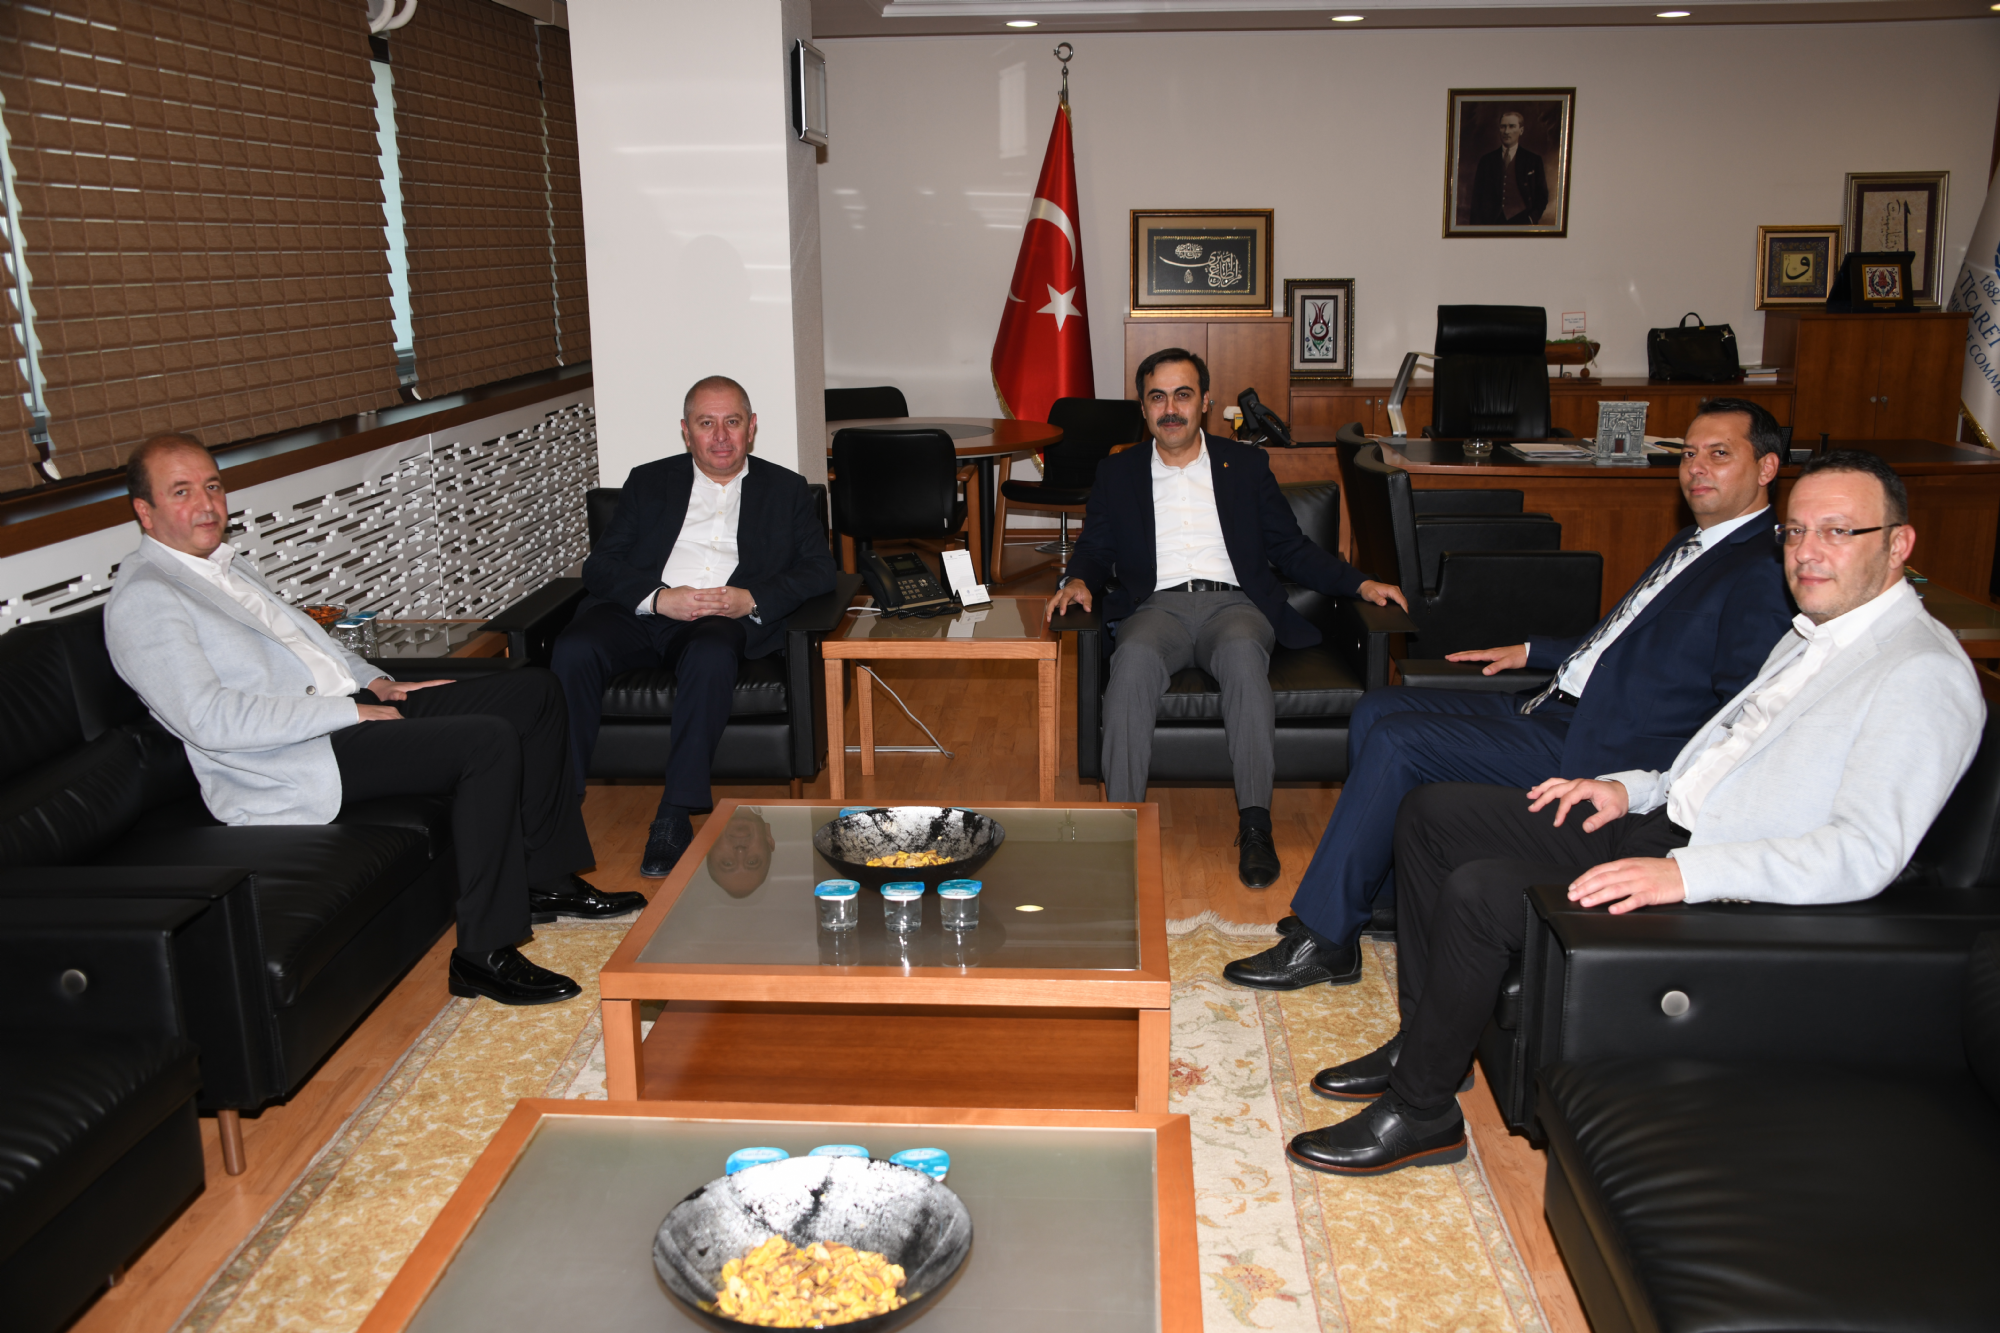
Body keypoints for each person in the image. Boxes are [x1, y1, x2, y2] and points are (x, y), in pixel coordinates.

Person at [1286, 450, 1983, 1176]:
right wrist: (1630, 788)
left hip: (1718, 878)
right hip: (1662, 822)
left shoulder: (1920, 671)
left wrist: (1683, 875)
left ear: (1898, 543)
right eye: (1796, 531)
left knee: (1481, 890)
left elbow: (1864, 853)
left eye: (1836, 531)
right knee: (1432, 814)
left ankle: (1422, 1108)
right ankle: (1429, 1042)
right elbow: (1723, 754)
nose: (1807, 552)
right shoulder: (1816, 629)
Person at [1224, 399, 1794, 991]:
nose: (1696, 467)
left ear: (1766, 468)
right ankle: (1382, 900)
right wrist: (1533, 650)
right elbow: (1624, 640)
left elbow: (1738, 714)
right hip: (1554, 703)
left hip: (1598, 746)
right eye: (1691, 453)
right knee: (1378, 708)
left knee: (1398, 740)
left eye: (1719, 454)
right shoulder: (1697, 541)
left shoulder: (1760, 569)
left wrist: (1642, 782)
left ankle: (1326, 939)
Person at [102, 435, 643, 1008]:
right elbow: (210, 719)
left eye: (212, 486)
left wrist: (378, 682)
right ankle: (483, 952)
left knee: (534, 691)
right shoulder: (146, 597)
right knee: (486, 742)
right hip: (297, 754)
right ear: (145, 511)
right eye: (182, 492)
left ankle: (546, 880)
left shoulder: (226, 566)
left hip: (348, 712)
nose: (207, 504)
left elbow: (314, 647)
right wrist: (350, 710)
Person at [1045, 348, 1407, 888]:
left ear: (1205, 402)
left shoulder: (1245, 467)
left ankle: (1256, 827)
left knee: (1242, 658)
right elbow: (1096, 549)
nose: (1171, 409)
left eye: (1183, 395)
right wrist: (1077, 579)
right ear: (1143, 408)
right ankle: (1122, 829)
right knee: (1133, 662)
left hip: (1234, 604)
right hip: (1156, 607)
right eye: (1157, 397)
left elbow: (1290, 548)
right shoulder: (1117, 472)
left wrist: (1360, 582)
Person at [550, 376, 838, 879]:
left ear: (751, 427)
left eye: (732, 422)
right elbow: (601, 566)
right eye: (707, 423)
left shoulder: (786, 490)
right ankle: (557, 812)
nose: (720, 436)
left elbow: (820, 570)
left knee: (711, 653)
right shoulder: (649, 481)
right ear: (686, 431)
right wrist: (660, 598)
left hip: (719, 621)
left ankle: (674, 813)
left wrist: (751, 598)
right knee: (575, 647)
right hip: (643, 611)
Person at [1469, 109, 1549, 226]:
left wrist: (1532, 219)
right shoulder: (1486, 161)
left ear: (1521, 130)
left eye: (1512, 126)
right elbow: (1476, 199)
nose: (1506, 131)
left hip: (1522, 221)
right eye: (1503, 127)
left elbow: (1542, 195)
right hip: (1491, 223)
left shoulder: (1533, 160)